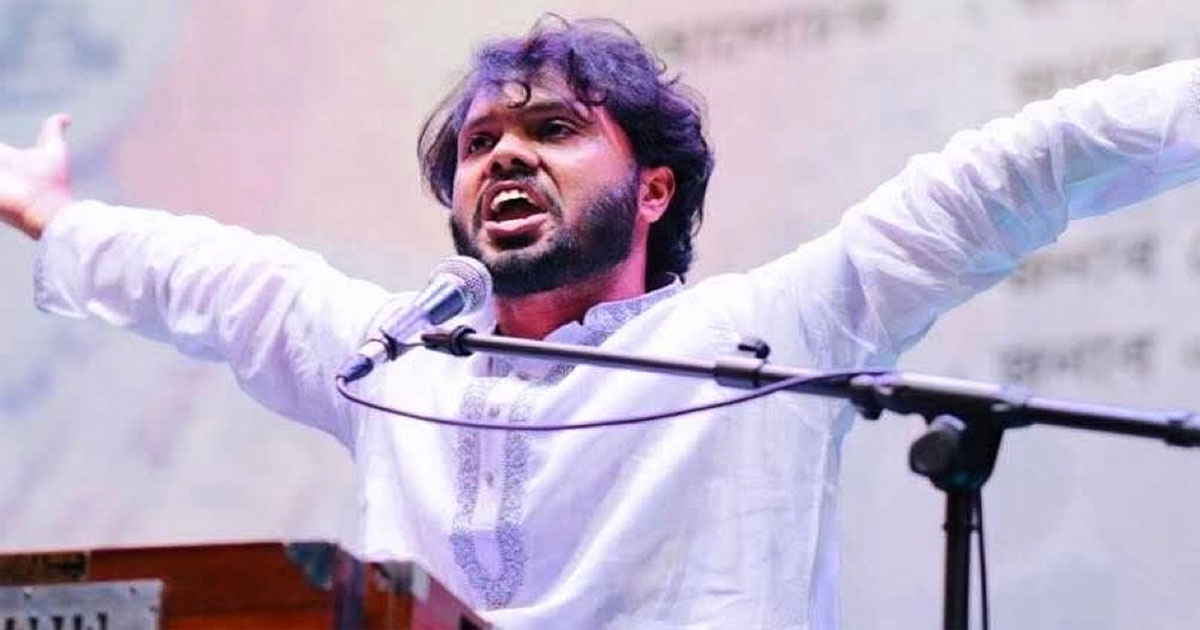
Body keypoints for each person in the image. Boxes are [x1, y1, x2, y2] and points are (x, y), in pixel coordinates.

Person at [3, 16, 1200, 630]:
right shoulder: (396, 361)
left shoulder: (770, 333)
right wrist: (54, 216)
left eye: (553, 130)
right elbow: (221, 281)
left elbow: (1023, 165)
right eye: (480, 144)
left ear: (655, 188)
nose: (505, 155)